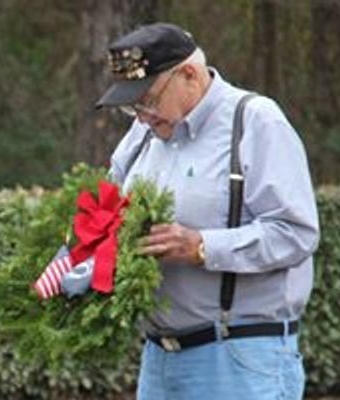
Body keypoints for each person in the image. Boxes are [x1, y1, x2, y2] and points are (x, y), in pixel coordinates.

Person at [96, 22, 320, 400]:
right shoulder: (142, 133)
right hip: (159, 362)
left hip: (239, 360)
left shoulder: (254, 121)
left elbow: (296, 233)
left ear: (189, 74)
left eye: (147, 99)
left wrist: (202, 247)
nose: (142, 115)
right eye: (132, 107)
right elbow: (105, 209)